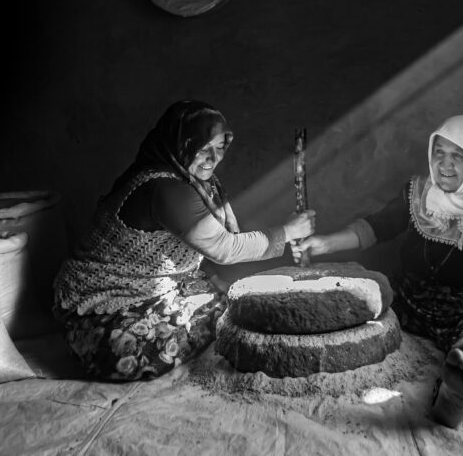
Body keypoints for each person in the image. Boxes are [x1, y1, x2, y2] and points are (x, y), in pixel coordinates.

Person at [292, 114, 463, 428]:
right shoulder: (419, 192)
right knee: (352, 297)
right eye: (439, 153)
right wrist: (324, 245)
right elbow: (377, 226)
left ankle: (461, 392)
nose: (445, 165)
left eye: (458, 156)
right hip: (415, 298)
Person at [52, 100, 316, 381]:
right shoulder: (165, 189)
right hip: (100, 308)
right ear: (179, 144)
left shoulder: (199, 182)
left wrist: (289, 231)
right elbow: (225, 249)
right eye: (203, 149)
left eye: (220, 148)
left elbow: (230, 239)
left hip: (153, 290)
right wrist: (288, 232)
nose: (212, 159)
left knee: (227, 296)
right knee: (130, 352)